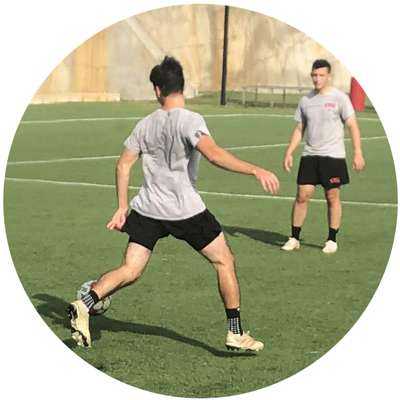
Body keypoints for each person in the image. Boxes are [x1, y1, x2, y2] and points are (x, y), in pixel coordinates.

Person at [68, 56, 280, 351]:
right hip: (184, 209)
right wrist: (256, 169)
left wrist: (121, 207)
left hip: (147, 209)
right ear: (181, 86)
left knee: (130, 270)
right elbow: (215, 155)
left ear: (158, 90)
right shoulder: (190, 120)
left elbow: (122, 167)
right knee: (224, 261)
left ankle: (85, 302)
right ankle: (235, 332)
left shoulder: (145, 124)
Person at [282, 59, 365, 254]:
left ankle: (332, 239)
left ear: (329, 76)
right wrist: (289, 152)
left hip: (333, 157)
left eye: (321, 75)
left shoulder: (340, 98)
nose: (317, 79)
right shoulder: (306, 100)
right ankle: (294, 237)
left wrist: (358, 152)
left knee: (332, 196)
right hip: (310, 156)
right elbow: (299, 128)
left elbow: (352, 125)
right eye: (314, 75)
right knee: (302, 195)